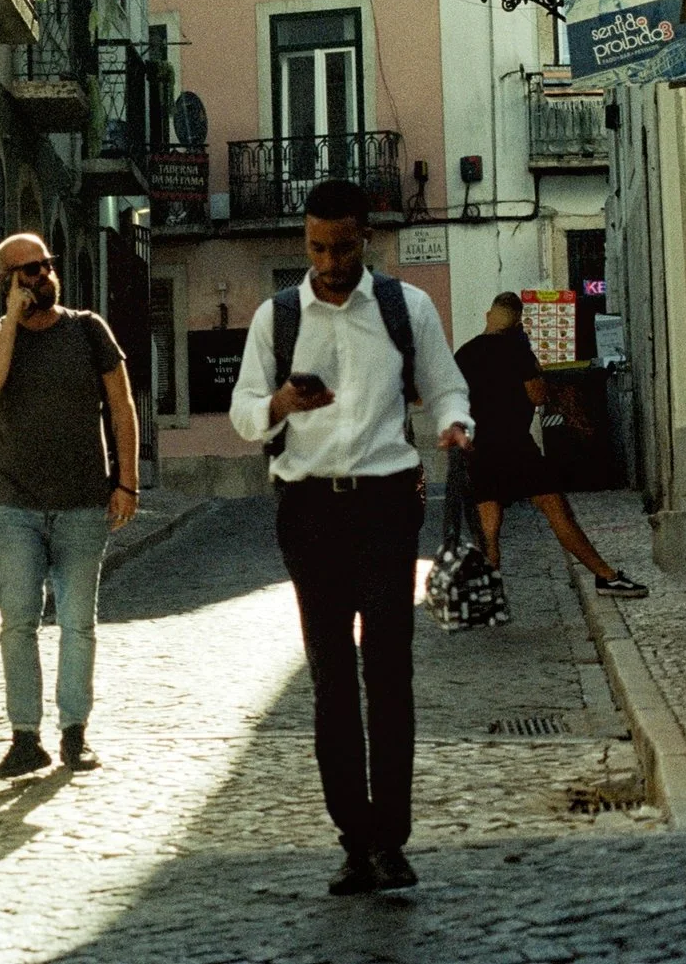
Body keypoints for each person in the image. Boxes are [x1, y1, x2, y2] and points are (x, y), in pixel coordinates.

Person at [228, 178, 470, 898]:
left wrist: (455, 424)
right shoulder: (277, 319)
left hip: (387, 503)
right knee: (331, 676)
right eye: (315, 247)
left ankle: (391, 838)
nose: (328, 260)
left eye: (340, 246)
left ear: (365, 237)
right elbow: (244, 413)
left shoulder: (405, 308)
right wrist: (280, 402)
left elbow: (446, 383)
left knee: (389, 672)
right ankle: (353, 841)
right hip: (309, 511)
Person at [0, 231, 141, 780]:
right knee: (18, 624)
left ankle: (74, 734)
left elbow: (122, 406)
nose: (39, 277)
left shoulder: (89, 330)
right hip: (16, 507)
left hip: (83, 505)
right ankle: (25, 738)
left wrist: (127, 482)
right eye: (25, 271)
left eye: (43, 267)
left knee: (76, 624)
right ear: (7, 282)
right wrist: (13, 323)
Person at [455, 292, 646, 597]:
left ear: (488, 315)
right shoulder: (516, 350)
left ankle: (488, 591)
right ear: (518, 321)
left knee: (488, 527)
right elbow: (538, 396)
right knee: (557, 511)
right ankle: (606, 576)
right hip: (516, 446)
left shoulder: (463, 354)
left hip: (480, 448)